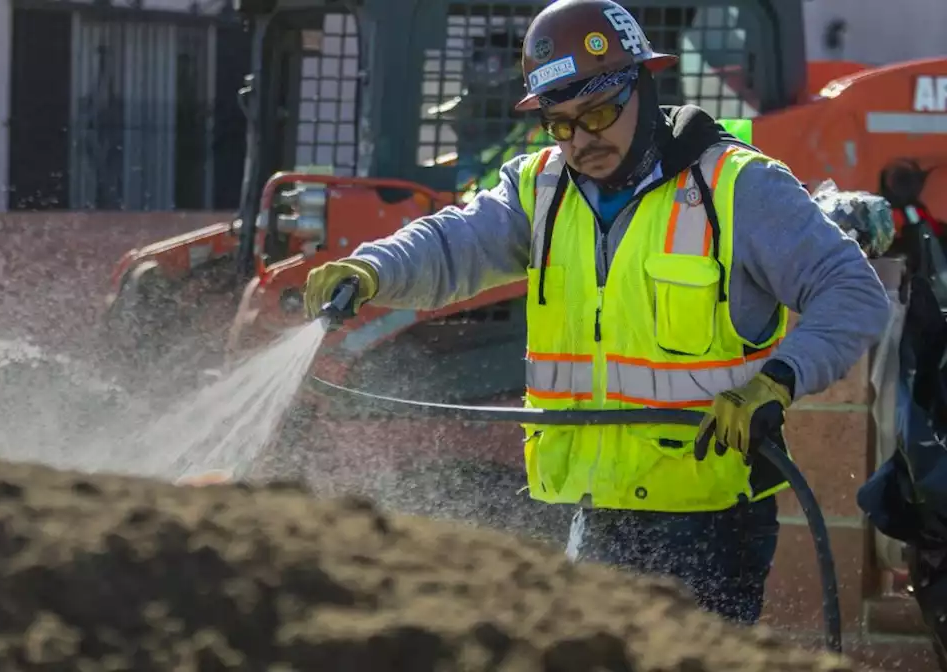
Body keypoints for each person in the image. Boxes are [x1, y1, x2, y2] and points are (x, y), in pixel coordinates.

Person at [302, 0, 890, 625]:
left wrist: (779, 379)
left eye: (599, 114)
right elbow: (453, 242)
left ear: (643, 82)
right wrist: (372, 268)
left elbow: (852, 293)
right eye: (560, 124)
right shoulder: (540, 189)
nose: (582, 140)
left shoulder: (741, 188)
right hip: (595, 505)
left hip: (708, 522)